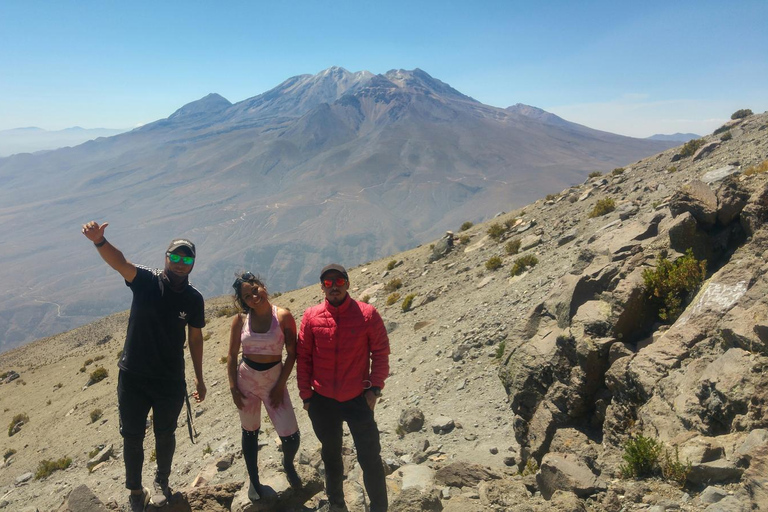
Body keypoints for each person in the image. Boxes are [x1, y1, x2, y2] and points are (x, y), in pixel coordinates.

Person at [81, 221, 206, 512]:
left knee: (166, 432)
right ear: (166, 257)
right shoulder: (147, 282)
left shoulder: (193, 299)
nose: (180, 263)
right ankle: (136, 491)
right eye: (175, 257)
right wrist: (100, 241)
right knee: (132, 436)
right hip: (134, 376)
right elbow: (121, 263)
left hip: (170, 380)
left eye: (186, 259)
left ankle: (162, 481)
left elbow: (196, 338)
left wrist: (199, 378)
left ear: (193, 264)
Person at [297, 264, 390, 512]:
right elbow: (303, 358)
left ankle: (380, 508)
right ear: (322, 287)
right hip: (322, 400)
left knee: (370, 457)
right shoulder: (311, 316)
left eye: (338, 281)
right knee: (331, 455)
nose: (334, 287)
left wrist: (375, 389)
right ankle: (337, 504)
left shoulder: (367, 314)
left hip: (357, 398)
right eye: (328, 283)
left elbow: (380, 353)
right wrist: (306, 396)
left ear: (347, 283)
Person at [228, 272, 301, 501]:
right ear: (243, 301)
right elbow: (231, 355)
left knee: (291, 436)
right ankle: (254, 480)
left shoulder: (283, 317)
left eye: (255, 290)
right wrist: (232, 387)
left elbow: (292, 354)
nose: (253, 297)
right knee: (250, 433)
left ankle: (288, 464)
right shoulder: (240, 320)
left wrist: (280, 386)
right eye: (247, 296)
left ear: (263, 286)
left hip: (273, 382)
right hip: (246, 381)